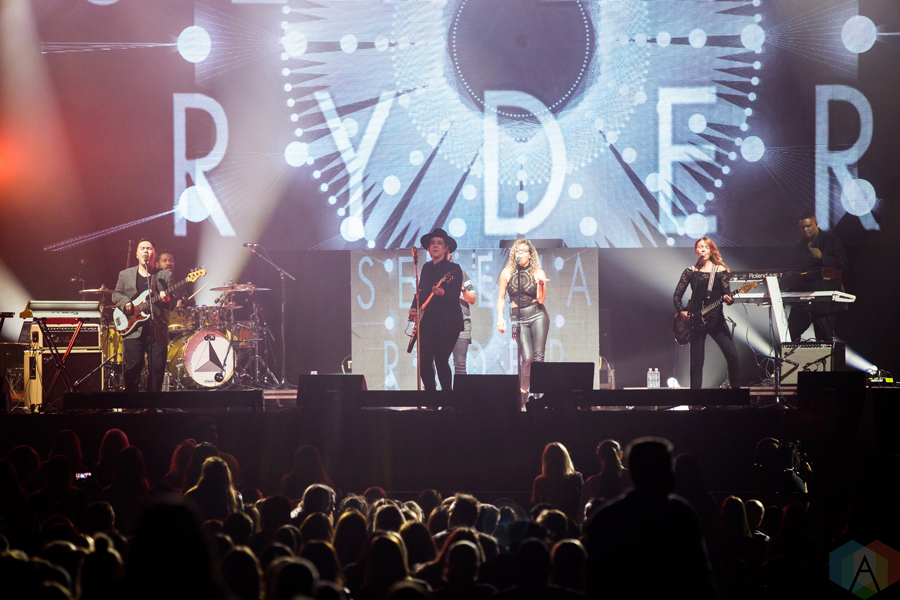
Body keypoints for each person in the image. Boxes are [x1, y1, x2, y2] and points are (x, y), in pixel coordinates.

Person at [585, 438, 717, 600]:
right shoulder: (682, 514)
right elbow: (701, 580)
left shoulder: (605, 518)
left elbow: (595, 585)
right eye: (669, 468)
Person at [673, 237, 740, 389]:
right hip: (696, 321)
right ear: (696, 251)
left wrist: (729, 299)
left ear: (711, 251)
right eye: (700, 247)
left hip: (716, 321)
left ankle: (736, 393)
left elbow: (727, 295)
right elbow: (677, 295)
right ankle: (695, 399)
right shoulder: (691, 272)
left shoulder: (720, 270)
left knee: (732, 356)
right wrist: (682, 312)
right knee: (696, 363)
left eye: (706, 247)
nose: (703, 249)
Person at [112, 238, 173, 392]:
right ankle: (132, 402)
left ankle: (153, 403)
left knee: (157, 370)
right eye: (142, 248)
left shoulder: (164, 275)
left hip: (157, 330)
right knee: (133, 367)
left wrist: (167, 300)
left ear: (155, 254)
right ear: (137, 254)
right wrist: (126, 302)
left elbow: (172, 303)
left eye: (149, 248)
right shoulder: (125, 275)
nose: (146, 250)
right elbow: (116, 294)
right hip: (132, 328)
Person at [408, 228, 464, 392]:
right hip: (428, 322)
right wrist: (414, 308)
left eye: (439, 243)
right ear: (428, 248)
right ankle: (431, 396)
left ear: (446, 248)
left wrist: (443, 292)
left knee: (440, 359)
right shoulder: (426, 268)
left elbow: (455, 294)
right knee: (424, 361)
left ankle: (447, 397)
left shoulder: (454, 268)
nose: (435, 246)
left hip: (448, 323)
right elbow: (421, 291)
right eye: (432, 243)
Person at [496, 239, 548, 408]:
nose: (520, 253)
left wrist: (541, 283)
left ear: (530, 254)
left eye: (524, 251)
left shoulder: (537, 272)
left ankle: (538, 396)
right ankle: (523, 397)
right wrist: (500, 318)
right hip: (518, 316)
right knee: (527, 357)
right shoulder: (507, 273)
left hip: (537, 314)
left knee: (538, 357)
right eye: (517, 250)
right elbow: (501, 298)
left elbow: (541, 299)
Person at [787, 212, 849, 342]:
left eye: (808, 226)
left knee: (825, 340)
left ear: (816, 224)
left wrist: (823, 257)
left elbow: (843, 264)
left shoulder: (832, 242)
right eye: (802, 227)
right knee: (790, 334)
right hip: (803, 302)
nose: (805, 229)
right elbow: (792, 272)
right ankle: (795, 355)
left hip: (824, 304)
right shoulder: (797, 247)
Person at [531, 442, 584, 521]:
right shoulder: (575, 478)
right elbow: (581, 504)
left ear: (546, 460)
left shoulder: (540, 481)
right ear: (565, 459)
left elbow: (536, 507)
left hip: (547, 523)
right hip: (570, 523)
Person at [450, 255, 477, 381]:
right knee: (438, 363)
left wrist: (462, 288)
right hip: (440, 325)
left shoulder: (461, 274)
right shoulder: (432, 275)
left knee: (460, 365)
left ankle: (460, 393)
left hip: (462, 324)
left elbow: (472, 299)